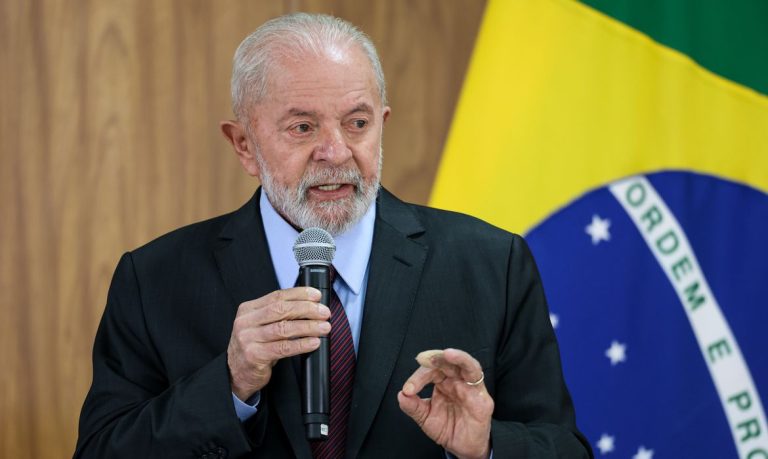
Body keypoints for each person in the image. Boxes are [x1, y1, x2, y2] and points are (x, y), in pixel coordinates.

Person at [74, 12, 592, 459]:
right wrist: (228, 385)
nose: (336, 152)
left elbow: (565, 447)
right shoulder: (155, 280)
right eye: (303, 128)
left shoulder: (491, 264)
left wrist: (485, 447)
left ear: (382, 124)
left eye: (357, 123)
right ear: (244, 146)